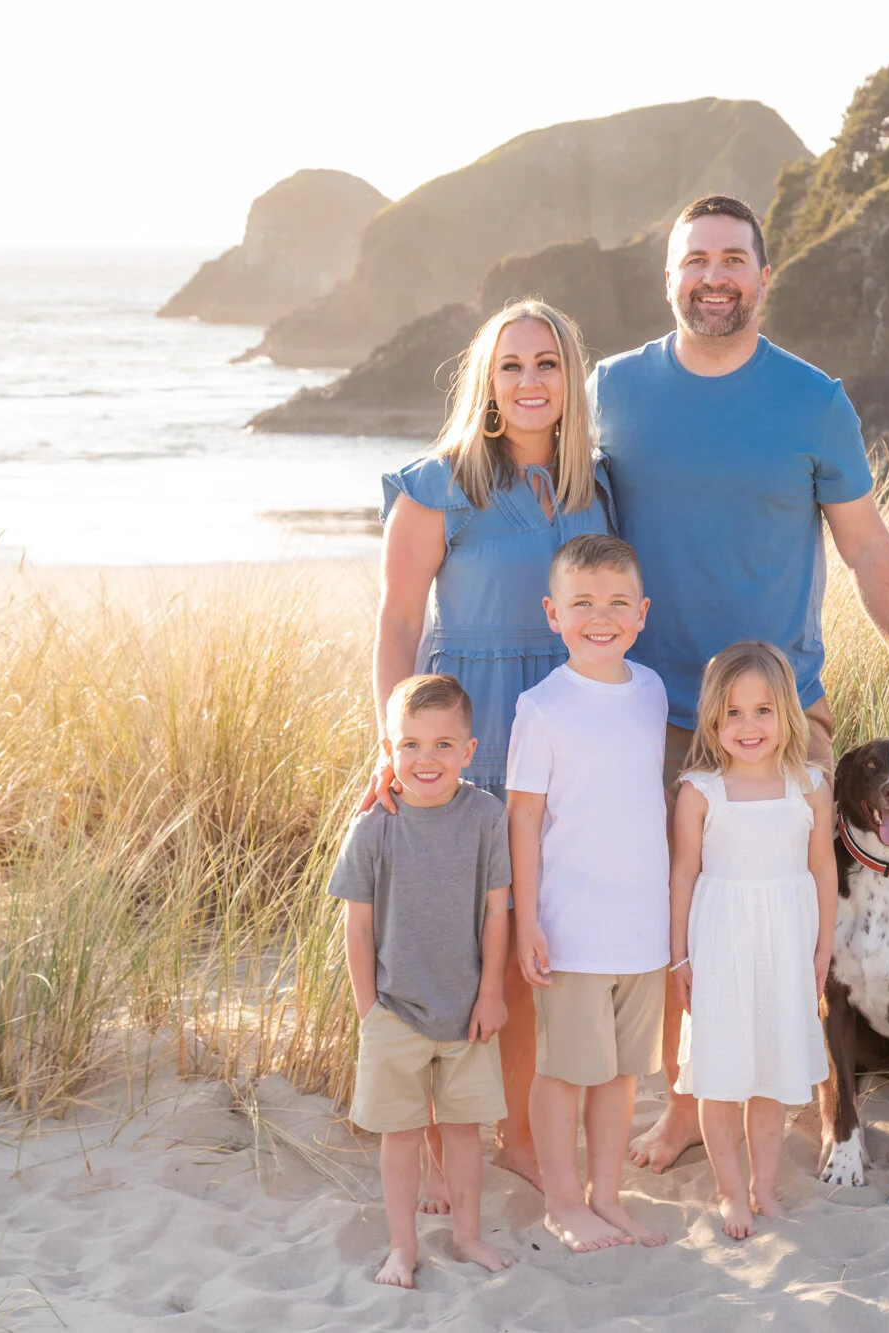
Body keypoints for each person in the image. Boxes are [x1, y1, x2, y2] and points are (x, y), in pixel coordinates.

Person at [589, 194, 889, 1172]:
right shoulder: (611, 389)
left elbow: (865, 546)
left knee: (800, 907)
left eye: (732, 259)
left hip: (785, 714)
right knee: (679, 913)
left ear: (762, 276)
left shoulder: (813, 400)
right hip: (651, 709)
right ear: (669, 275)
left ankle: (821, 1093)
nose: (714, 277)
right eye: (695, 259)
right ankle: (685, 1105)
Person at [371, 298, 612, 1194]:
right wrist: (393, 744)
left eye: (547, 363)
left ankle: (514, 1134)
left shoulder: (598, 487)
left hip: (566, 735)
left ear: (570, 377)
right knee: (456, 939)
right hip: (468, 735)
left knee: (531, 941)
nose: (530, 381)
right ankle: (439, 1133)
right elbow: (397, 623)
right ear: (487, 380)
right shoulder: (438, 486)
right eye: (511, 365)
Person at [505, 533, 670, 1253]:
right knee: (564, 1071)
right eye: (581, 604)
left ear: (641, 613)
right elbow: (523, 818)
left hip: (642, 927)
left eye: (616, 603)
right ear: (553, 613)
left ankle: (607, 1195)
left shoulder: (652, 691)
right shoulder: (541, 707)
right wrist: (527, 924)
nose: (600, 618)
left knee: (621, 1074)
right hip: (571, 927)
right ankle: (563, 1202)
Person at [327, 674, 514, 1289]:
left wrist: (491, 993)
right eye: (410, 744)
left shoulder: (486, 818)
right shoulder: (372, 828)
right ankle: (402, 1248)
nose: (425, 759)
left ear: (469, 750)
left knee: (463, 1131)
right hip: (394, 1011)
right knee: (401, 1136)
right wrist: (369, 1010)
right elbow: (358, 928)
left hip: (467, 1010)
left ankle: (467, 1235)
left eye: (442, 745)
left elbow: (496, 913)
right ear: (389, 748)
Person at [669, 641, 838, 1240]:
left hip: (786, 951)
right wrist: (679, 957)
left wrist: (822, 950)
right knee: (721, 1076)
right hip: (720, 951)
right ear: (713, 719)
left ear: (786, 713)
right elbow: (683, 875)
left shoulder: (810, 786)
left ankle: (763, 1185)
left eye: (763, 711)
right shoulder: (700, 791)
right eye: (733, 713)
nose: (749, 726)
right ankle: (728, 1191)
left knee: (771, 1074)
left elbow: (823, 870)